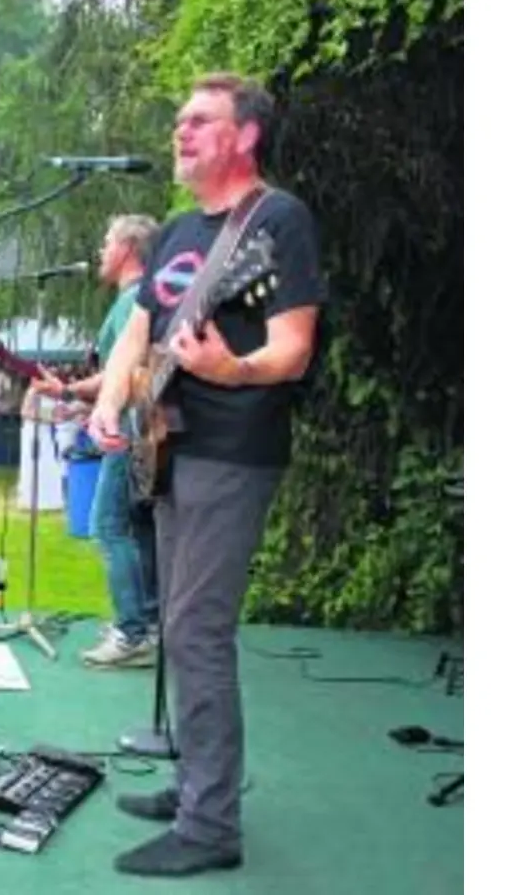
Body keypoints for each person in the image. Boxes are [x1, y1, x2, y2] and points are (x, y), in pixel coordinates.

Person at [88, 72, 325, 877]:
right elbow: (140, 333)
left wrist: (231, 370)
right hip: (167, 443)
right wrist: (109, 402)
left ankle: (211, 825)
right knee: (181, 627)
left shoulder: (277, 221)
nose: (180, 132)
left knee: (194, 628)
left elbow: (292, 347)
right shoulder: (178, 229)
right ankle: (197, 784)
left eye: (199, 121)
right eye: (178, 119)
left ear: (245, 135)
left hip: (233, 449)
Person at [33, 214, 162, 668]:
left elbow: (122, 372)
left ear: (128, 248)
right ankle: (146, 624)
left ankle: (132, 633)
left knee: (110, 526)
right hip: (136, 428)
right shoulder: (137, 298)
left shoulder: (132, 301)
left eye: (107, 242)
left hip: (125, 433)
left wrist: (72, 390)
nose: (100, 251)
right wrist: (72, 394)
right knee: (139, 528)